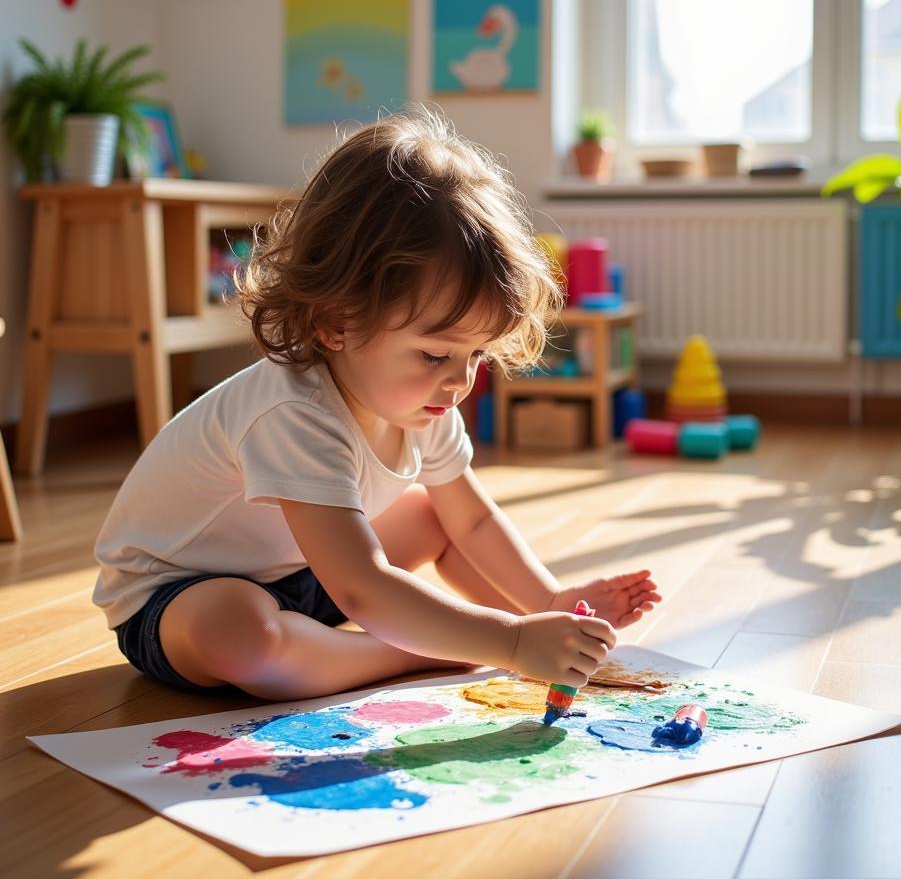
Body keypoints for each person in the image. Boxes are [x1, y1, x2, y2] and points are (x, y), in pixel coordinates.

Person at [93, 109, 660, 702]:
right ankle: (408, 650)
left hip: (302, 571)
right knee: (241, 634)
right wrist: (510, 642)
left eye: (476, 355)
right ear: (337, 321)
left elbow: (473, 521)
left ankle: (438, 634)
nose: (460, 381)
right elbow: (361, 586)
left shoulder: (425, 402)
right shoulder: (294, 412)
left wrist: (545, 603)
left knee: (435, 513)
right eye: (436, 355)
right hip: (176, 595)